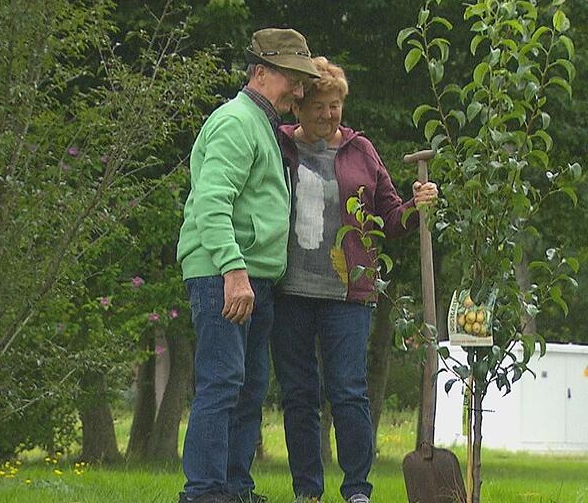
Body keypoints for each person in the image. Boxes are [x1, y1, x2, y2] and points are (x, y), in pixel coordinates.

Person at [271, 57, 438, 503]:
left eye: (336, 106)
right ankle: (308, 491)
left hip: (348, 293)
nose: (329, 115)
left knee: (347, 392)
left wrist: (417, 206)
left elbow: (391, 217)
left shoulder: (360, 150)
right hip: (288, 292)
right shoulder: (277, 144)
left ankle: (357, 490)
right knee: (299, 395)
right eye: (319, 106)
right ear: (298, 106)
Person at [176, 28, 320, 503]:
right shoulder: (236, 122)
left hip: (251, 276)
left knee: (248, 387)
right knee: (222, 383)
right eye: (292, 79)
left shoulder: (262, 126)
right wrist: (233, 272)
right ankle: (204, 492)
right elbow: (212, 202)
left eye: (302, 81)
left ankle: (235, 488)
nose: (299, 90)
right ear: (260, 72)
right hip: (225, 273)